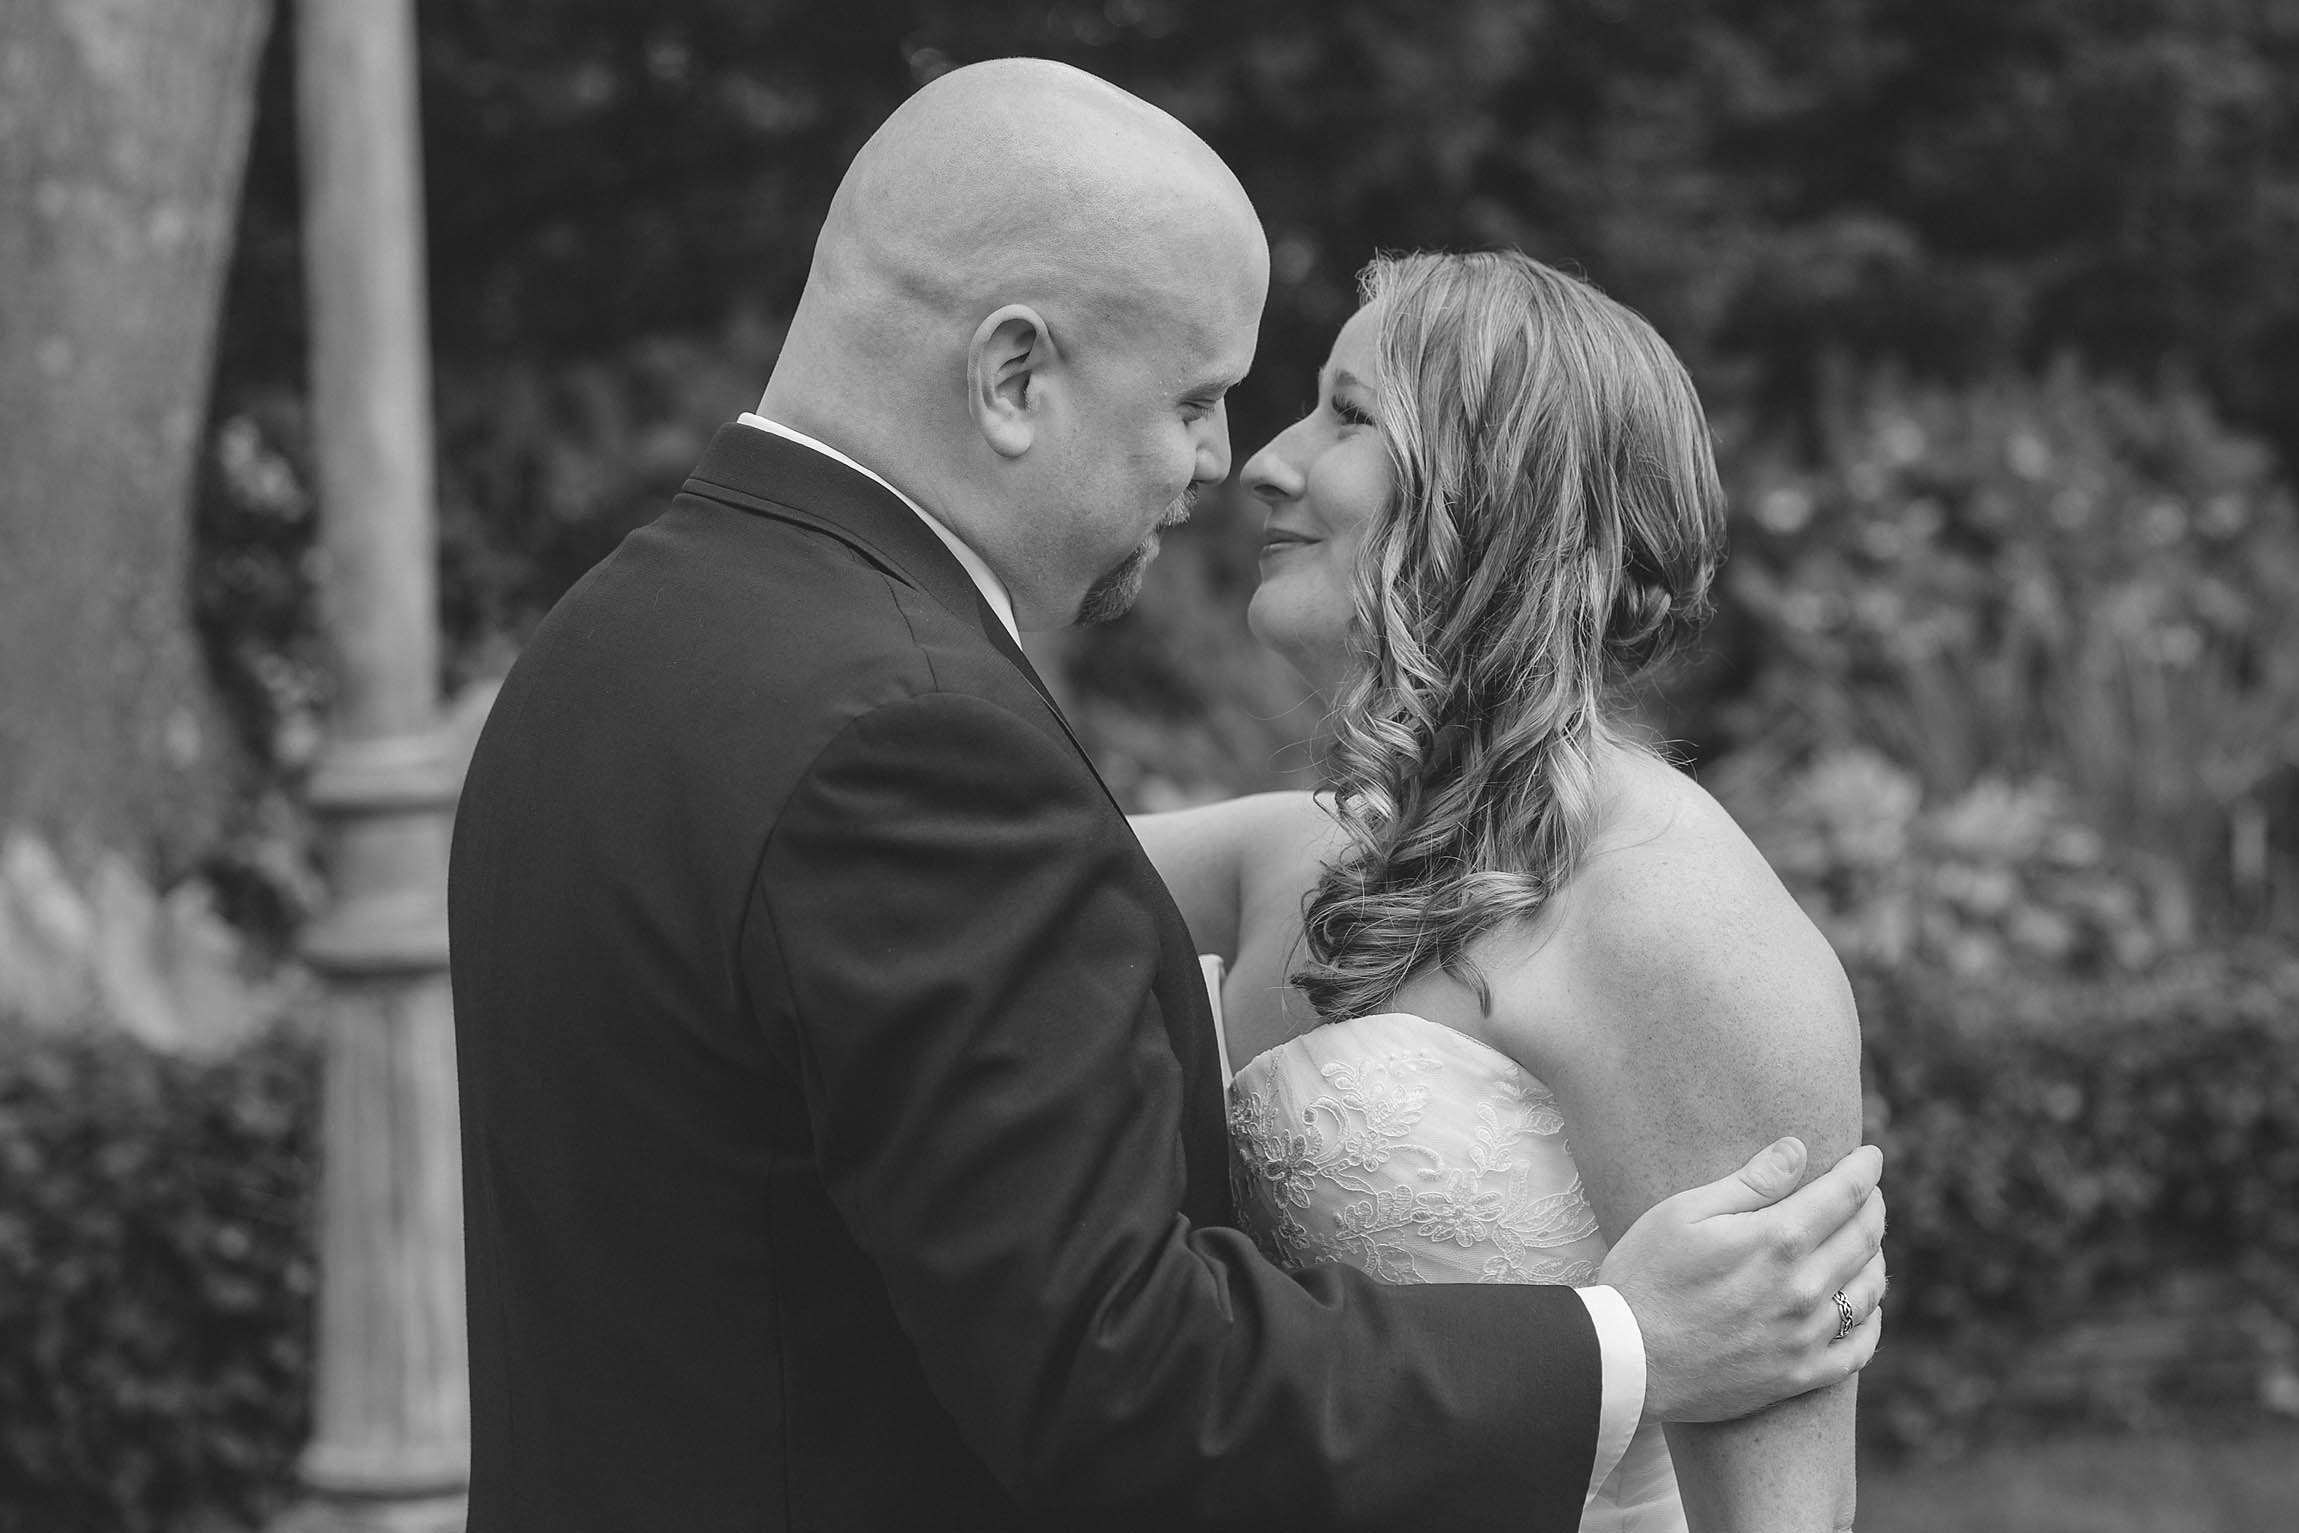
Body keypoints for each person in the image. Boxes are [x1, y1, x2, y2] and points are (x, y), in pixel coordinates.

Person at [449, 60, 1885, 1533]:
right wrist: (1624, 1347)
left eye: (1337, 416)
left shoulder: (615, 649)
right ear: (1012, 377)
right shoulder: (945, 760)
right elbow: (1115, 1357)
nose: (1236, 461)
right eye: (1202, 400)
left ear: (1494, 499)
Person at [1132, 249, 1866, 1531]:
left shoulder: (1682, 925)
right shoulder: (1287, 854)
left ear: (1493, 494)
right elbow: (962, 860)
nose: (1265, 462)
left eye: (1348, 414)